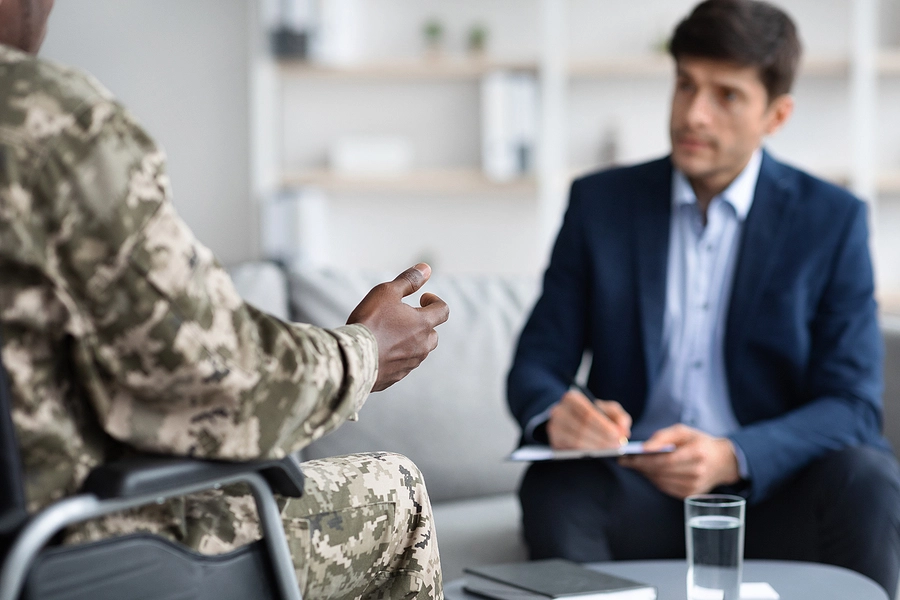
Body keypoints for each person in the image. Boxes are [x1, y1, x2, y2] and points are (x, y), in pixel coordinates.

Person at [0, 1, 450, 598]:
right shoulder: (39, 117)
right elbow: (223, 381)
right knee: (398, 489)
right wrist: (366, 350)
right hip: (69, 549)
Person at [507, 0, 900, 595]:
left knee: (866, 477)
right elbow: (536, 365)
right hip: (636, 488)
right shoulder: (600, 205)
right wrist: (558, 417)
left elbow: (853, 403)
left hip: (772, 492)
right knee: (555, 487)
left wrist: (733, 455)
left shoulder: (831, 220)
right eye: (685, 85)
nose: (694, 113)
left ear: (777, 115)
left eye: (727, 95)